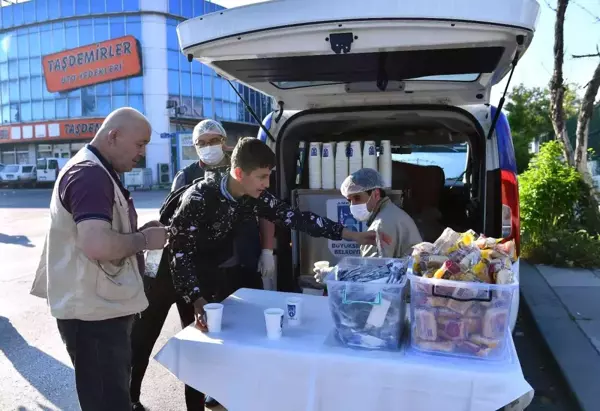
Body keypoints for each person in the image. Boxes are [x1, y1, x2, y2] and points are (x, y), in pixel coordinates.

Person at [168, 138, 386, 342]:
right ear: (238, 173)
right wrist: (195, 298)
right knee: (194, 343)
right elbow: (178, 252)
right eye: (262, 176)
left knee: (220, 339)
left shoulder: (252, 196)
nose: (267, 183)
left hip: (210, 269)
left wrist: (352, 235)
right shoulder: (199, 197)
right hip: (179, 273)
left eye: (269, 175)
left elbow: (296, 218)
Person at [130, 120, 275, 411]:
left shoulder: (241, 172)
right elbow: (172, 224)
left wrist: (267, 251)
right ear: (194, 147)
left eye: (214, 140)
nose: (209, 147)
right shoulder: (187, 178)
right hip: (175, 269)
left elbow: (267, 211)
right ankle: (129, 396)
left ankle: (207, 397)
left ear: (225, 141)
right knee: (143, 338)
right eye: (202, 142)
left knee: (201, 342)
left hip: (216, 270)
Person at [30, 107, 168, 411]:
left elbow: (104, 233)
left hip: (99, 311)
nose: (143, 153)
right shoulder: (90, 175)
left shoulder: (97, 171)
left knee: (110, 397)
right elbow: (97, 244)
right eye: (140, 144)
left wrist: (139, 233)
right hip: (94, 318)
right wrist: (144, 240)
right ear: (114, 136)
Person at [314, 167, 422, 282]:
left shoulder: (380, 225)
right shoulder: (392, 213)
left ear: (375, 194)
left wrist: (332, 274)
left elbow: (371, 277)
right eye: (349, 200)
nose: (353, 205)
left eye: (357, 198)